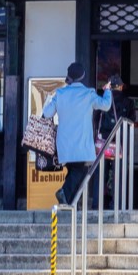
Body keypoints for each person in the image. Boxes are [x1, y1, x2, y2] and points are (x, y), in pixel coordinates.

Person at [42, 62, 112, 206]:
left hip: (64, 144)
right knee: (80, 172)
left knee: (74, 171)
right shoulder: (88, 94)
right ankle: (64, 193)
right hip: (82, 144)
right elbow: (105, 105)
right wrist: (108, 90)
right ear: (83, 76)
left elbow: (47, 113)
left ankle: (70, 203)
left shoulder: (60, 94)